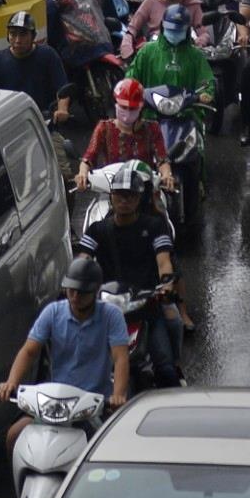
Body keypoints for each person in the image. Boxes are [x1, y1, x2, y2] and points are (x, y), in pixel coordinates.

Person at [0, 258, 130, 498]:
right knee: (14, 436)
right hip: (54, 404)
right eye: (71, 290)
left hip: (92, 405)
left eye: (82, 292)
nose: (75, 297)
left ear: (95, 292)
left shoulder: (111, 316)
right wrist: (11, 383)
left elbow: (120, 358)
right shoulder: (53, 313)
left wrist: (118, 395)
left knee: (110, 454)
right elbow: (29, 351)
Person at [74, 160, 189, 382]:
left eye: (130, 196)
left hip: (147, 303)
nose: (124, 201)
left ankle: (176, 367)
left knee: (170, 342)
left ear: (139, 198)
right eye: (119, 195)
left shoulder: (155, 226)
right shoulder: (97, 230)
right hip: (108, 305)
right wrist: (76, 282)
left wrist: (166, 286)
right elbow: (83, 260)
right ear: (111, 197)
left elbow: (164, 261)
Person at [76, 78, 176, 194]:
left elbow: (162, 159)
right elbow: (89, 157)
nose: (127, 112)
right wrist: (82, 174)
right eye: (123, 107)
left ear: (141, 108)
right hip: (112, 191)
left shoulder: (152, 128)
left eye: (132, 109)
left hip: (144, 191)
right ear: (115, 104)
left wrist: (166, 175)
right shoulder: (103, 128)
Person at [0, 9, 72, 125]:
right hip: (8, 124)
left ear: (33, 36)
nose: (18, 40)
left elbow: (62, 88)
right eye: (13, 34)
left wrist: (62, 110)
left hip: (43, 123)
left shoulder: (48, 55)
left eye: (23, 34)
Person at [123, 3, 217, 111]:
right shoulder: (147, 52)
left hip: (186, 114)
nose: (174, 33)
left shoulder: (196, 56)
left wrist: (205, 94)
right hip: (150, 114)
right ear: (162, 27)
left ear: (187, 30)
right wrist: (131, 91)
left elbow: (207, 82)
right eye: (171, 29)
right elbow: (131, 78)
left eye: (179, 30)